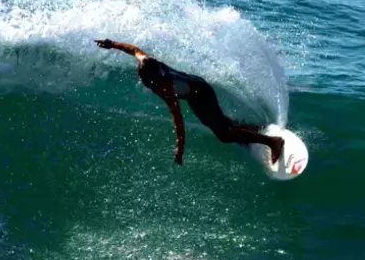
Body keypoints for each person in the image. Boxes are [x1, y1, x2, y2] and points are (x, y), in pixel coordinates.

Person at [94, 38, 284, 166]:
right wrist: (111, 44)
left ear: (154, 80)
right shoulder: (146, 61)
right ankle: (251, 129)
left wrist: (180, 149)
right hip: (194, 88)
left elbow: (178, 120)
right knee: (217, 123)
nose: (142, 81)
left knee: (223, 135)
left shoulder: (166, 89)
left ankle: (272, 142)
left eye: (145, 81)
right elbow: (132, 49)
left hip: (201, 93)